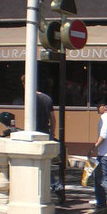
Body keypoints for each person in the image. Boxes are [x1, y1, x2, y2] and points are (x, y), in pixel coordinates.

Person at [21, 75, 64, 203]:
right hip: (45, 133)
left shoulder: (30, 99)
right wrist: (52, 133)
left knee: (34, 163)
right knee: (45, 164)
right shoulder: (47, 98)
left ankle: (54, 186)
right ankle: (54, 186)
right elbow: (53, 118)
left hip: (34, 134)